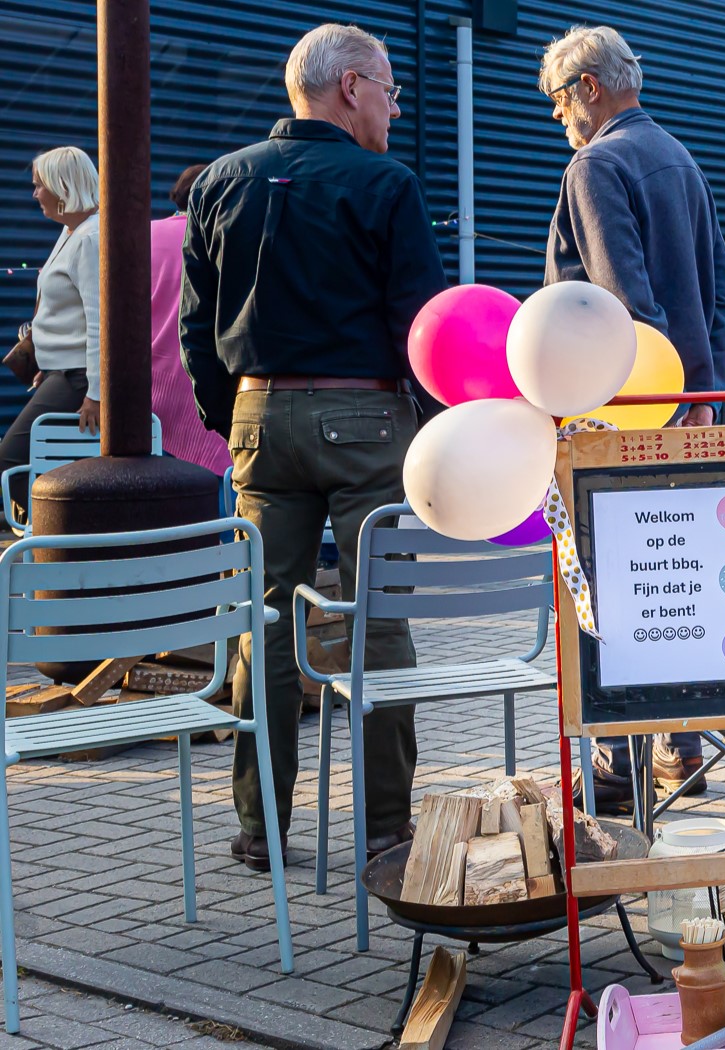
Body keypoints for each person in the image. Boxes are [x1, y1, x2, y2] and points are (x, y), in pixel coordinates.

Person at [181, 23, 447, 871]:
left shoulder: (221, 181)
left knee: (267, 621)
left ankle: (263, 830)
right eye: (392, 91)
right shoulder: (387, 183)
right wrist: (434, 420)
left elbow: (195, 327)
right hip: (366, 419)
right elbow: (420, 322)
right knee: (379, 621)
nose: (397, 111)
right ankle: (385, 828)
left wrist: (231, 420)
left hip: (259, 418)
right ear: (351, 88)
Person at [543, 24, 725, 429]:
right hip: (683, 412)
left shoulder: (594, 165)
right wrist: (705, 400)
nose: (556, 112)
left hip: (618, 416)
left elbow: (626, 306)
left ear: (589, 87)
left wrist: (665, 405)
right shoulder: (683, 160)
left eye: (559, 97)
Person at [4, 147, 103, 522]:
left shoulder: (90, 238)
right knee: (47, 462)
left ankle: (51, 535)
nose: (34, 194)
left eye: (38, 185)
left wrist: (95, 393)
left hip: (80, 379)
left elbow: (98, 323)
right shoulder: (72, 231)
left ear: (62, 186)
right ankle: (51, 534)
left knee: (12, 458)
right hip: (61, 373)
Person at [150, 163, 231, 475]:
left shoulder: (143, 234)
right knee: (217, 494)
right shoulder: (219, 236)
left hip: (149, 385)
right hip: (202, 379)